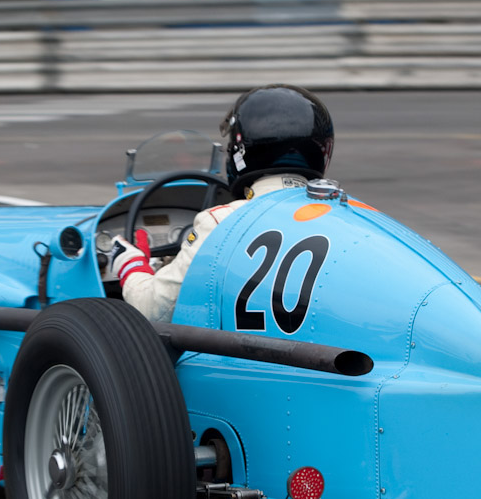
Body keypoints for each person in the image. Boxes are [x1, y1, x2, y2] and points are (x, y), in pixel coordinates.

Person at [110, 84, 334, 322]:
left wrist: (129, 262)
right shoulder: (347, 214)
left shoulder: (220, 222)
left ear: (240, 151)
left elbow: (153, 309)